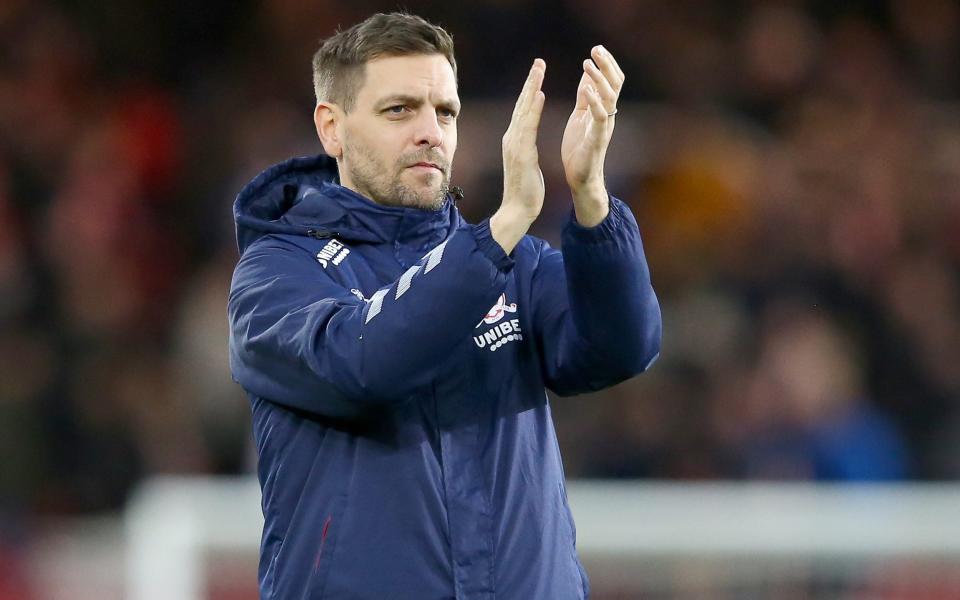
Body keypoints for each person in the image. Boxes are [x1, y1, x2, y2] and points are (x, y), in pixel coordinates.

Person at [228, 12, 661, 600]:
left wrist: (590, 198)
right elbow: (366, 364)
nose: (430, 131)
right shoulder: (277, 275)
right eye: (399, 110)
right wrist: (503, 227)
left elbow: (623, 346)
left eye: (445, 112)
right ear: (332, 128)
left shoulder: (515, 265)